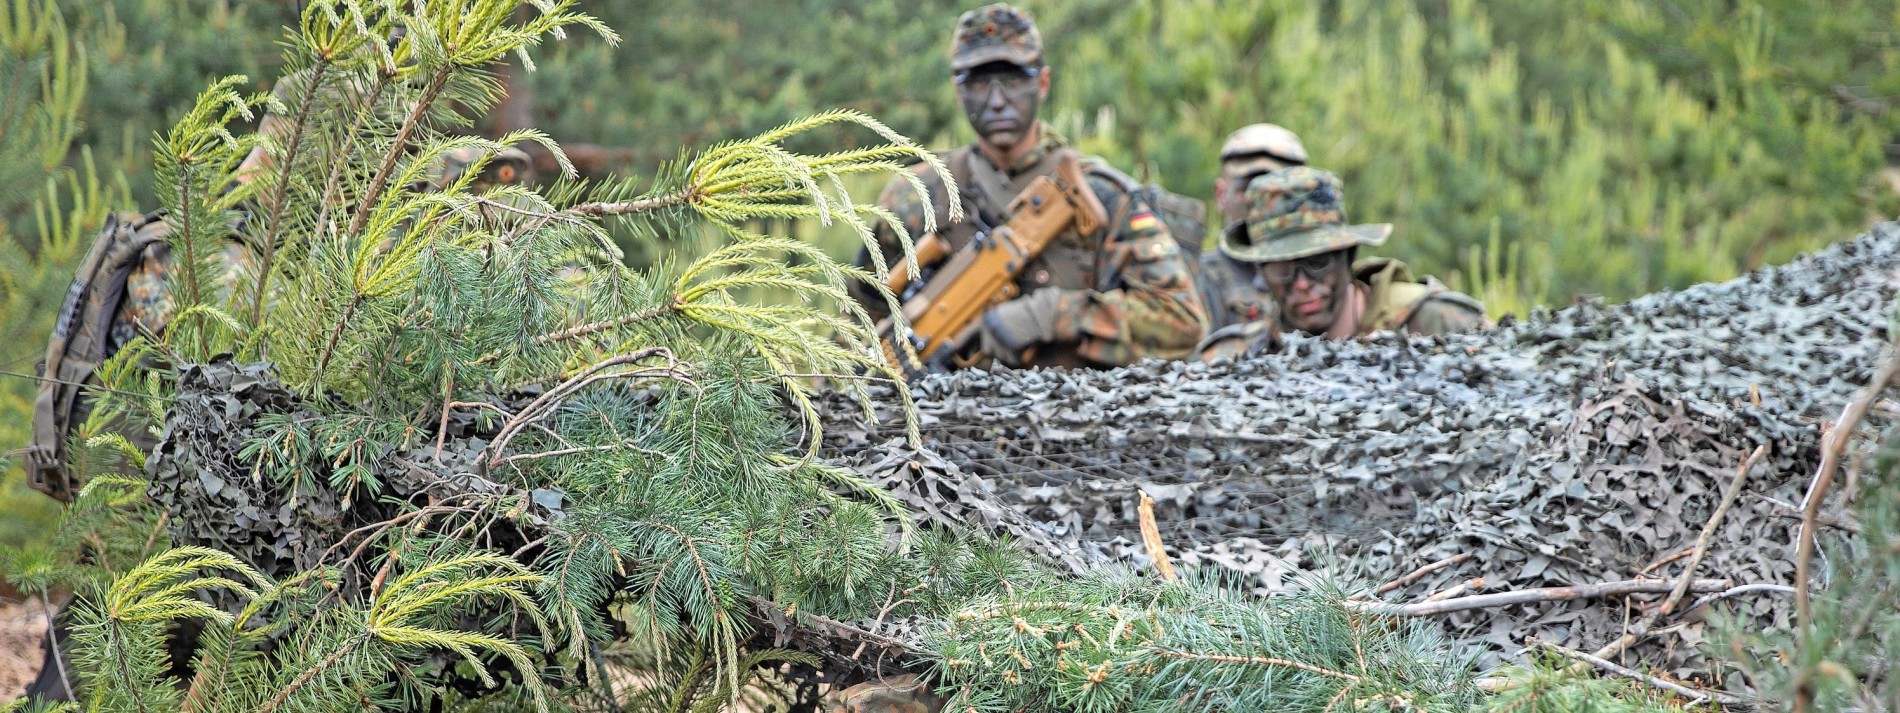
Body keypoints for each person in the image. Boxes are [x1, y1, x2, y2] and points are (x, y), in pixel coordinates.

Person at [849, 3, 1206, 369]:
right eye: (979, 83)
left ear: (1044, 83)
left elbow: (1182, 324)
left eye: (1014, 80)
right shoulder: (916, 195)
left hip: (1081, 419)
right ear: (959, 92)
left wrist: (1053, 315)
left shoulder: (1100, 196)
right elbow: (852, 330)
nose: (997, 100)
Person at [1198, 166, 1486, 360]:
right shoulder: (1238, 355)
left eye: (1318, 262)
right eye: (1282, 269)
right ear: (1261, 272)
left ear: (1347, 257)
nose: (1302, 283)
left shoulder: (1442, 324)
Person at [1198, 123, 1308, 332]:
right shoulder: (1201, 280)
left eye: (1277, 190)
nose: (1263, 202)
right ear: (1221, 195)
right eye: (1248, 188)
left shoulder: (1321, 275)